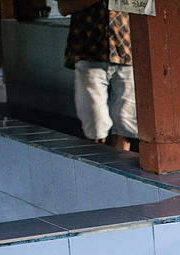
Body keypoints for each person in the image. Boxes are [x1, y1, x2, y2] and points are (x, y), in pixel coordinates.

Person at [58, 0, 137, 152]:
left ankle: (120, 163)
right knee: (94, 120)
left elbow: (147, 7)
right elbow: (64, 7)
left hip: (127, 53)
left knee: (126, 121)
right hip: (89, 53)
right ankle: (96, 166)